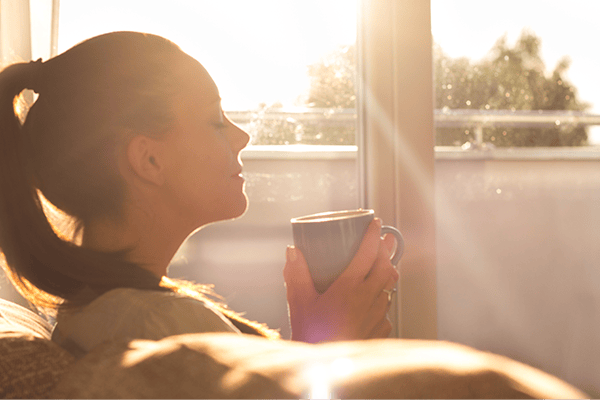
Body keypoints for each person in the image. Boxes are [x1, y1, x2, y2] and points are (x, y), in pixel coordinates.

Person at [0, 31, 399, 355]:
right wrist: (326, 350)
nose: (242, 136)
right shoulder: (159, 329)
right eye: (214, 120)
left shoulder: (111, 314)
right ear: (149, 160)